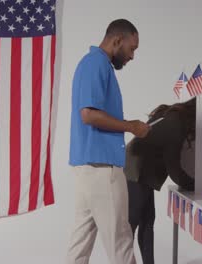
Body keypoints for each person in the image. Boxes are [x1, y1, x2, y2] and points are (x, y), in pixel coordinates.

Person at [67, 19, 150, 264]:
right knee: (121, 242)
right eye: (132, 48)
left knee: (79, 245)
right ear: (117, 40)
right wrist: (131, 126)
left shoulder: (91, 64)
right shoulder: (97, 64)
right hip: (102, 170)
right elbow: (88, 114)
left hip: (87, 171)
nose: (132, 56)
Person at [124, 98, 196, 264]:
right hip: (136, 170)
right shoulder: (175, 126)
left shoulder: (169, 115)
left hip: (137, 167)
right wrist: (193, 184)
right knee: (132, 224)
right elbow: (174, 169)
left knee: (148, 221)